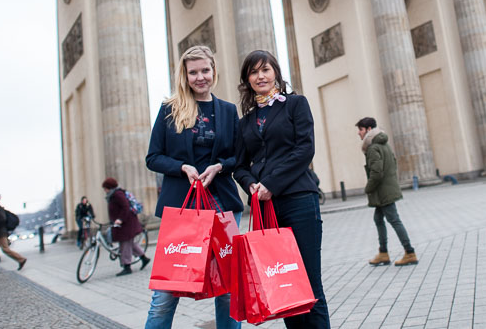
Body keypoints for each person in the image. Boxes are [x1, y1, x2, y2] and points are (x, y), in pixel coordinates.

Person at [145, 45, 243, 329]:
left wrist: (220, 166)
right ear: (184, 76)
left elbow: (239, 155)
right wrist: (182, 168)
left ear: (214, 71)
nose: (200, 77)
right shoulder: (169, 109)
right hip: (182, 208)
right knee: (165, 293)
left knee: (226, 290)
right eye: (193, 72)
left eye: (205, 70)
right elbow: (153, 157)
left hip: (222, 206)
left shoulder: (227, 111)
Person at [234, 50, 330, 329]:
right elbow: (239, 165)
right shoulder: (246, 122)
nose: (260, 76)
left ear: (275, 72)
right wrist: (250, 183)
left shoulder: (295, 104)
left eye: (265, 69)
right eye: (253, 72)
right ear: (247, 80)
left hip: (299, 200)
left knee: (310, 284)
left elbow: (305, 149)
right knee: (283, 285)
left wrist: (271, 183)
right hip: (266, 207)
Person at [356, 117, 418, 267]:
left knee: (394, 220)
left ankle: (409, 252)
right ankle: (383, 252)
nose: (358, 133)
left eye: (361, 129)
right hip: (385, 189)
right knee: (379, 219)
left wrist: (368, 188)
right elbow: (393, 163)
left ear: (369, 130)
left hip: (382, 192)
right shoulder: (384, 144)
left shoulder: (373, 148)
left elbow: (376, 172)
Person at [101, 177, 150, 277]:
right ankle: (144, 258)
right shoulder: (114, 194)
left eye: (105, 188)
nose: (104, 190)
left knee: (125, 245)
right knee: (130, 244)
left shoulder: (117, 194)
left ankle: (127, 266)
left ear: (109, 187)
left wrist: (120, 219)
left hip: (126, 224)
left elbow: (125, 207)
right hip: (125, 223)